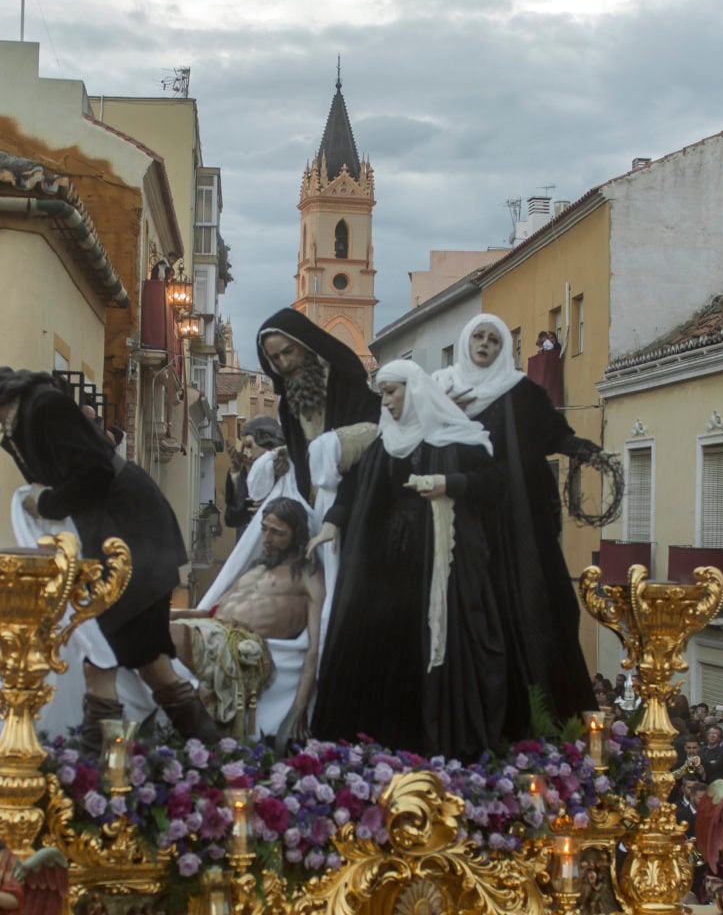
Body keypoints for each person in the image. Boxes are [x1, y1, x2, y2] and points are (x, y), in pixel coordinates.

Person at [0, 352, 202, 739]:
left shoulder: (44, 406)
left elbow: (95, 471)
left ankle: (174, 754)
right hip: (109, 539)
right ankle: (146, 756)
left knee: (127, 658)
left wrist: (45, 504)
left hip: (130, 534)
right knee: (125, 658)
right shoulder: (20, 421)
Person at [312, 360, 522, 755]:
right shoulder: (385, 441)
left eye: (393, 391)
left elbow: (495, 483)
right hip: (386, 566)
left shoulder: (454, 437)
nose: (387, 401)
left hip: (441, 567)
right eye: (383, 394)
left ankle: (434, 744)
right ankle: (377, 743)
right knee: (381, 649)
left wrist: (450, 483)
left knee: (430, 648)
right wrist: (332, 523)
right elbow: (355, 488)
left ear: (416, 389)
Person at [434, 311, 601, 721]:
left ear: (503, 347)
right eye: (479, 337)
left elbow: (551, 433)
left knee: (523, 599)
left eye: (494, 339)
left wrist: (579, 447)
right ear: (466, 341)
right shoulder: (439, 388)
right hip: (452, 510)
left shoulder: (521, 391)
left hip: (511, 517)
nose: (485, 344)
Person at [173, 496, 324, 739]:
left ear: (296, 534)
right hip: (210, 629)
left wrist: (299, 708)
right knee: (145, 628)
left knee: (158, 636)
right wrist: (162, 615)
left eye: (277, 533)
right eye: (264, 529)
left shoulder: (308, 574)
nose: (267, 538)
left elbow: (316, 647)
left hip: (239, 644)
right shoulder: (256, 568)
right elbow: (208, 611)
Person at [255, 308, 380, 506]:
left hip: (355, 499)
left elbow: (376, 430)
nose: (285, 363)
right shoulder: (288, 403)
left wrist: (336, 445)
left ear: (306, 345)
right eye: (276, 358)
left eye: (289, 351)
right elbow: (302, 451)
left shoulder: (345, 382)